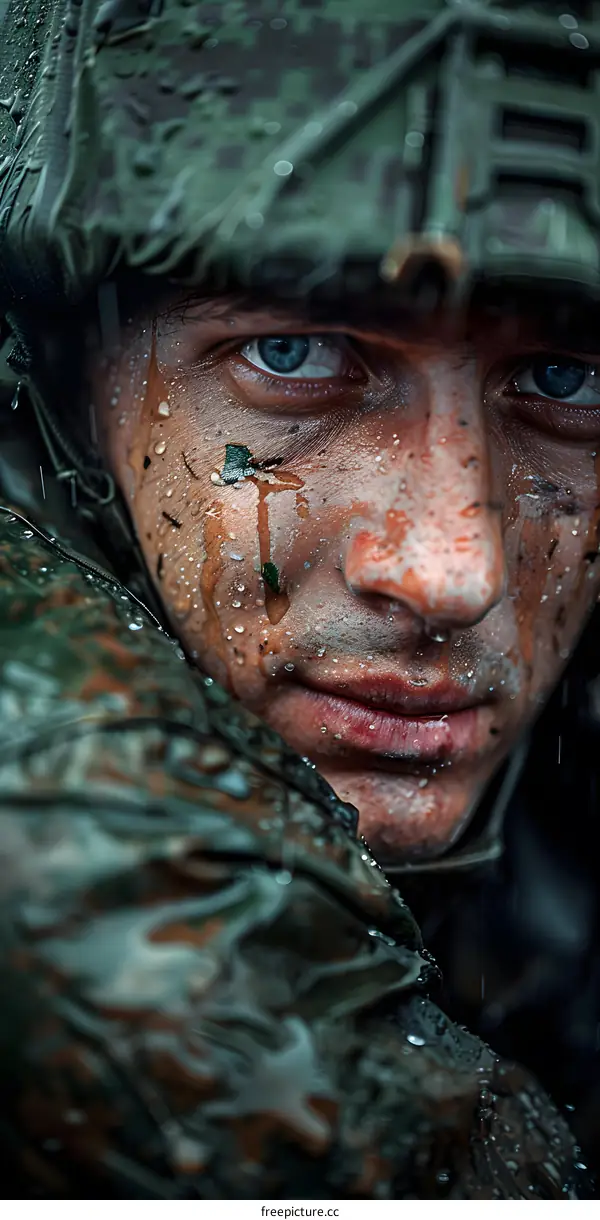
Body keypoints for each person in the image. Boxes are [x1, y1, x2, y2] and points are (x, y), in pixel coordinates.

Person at [0, 0, 596, 1198]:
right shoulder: (61, 814)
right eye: (297, 356)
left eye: (562, 376)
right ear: (61, 375)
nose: (450, 571)